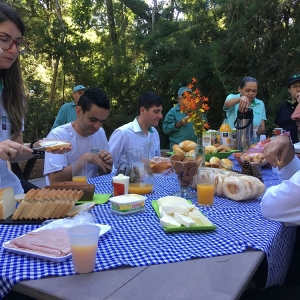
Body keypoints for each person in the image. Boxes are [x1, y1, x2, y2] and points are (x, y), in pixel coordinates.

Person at [0, 3, 71, 194]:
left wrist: (37, 147)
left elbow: (11, 155)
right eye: (4, 39)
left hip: (9, 194)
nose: (13, 50)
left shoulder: (14, 95)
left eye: (18, 43)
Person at [44, 88, 113, 184]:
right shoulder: (58, 135)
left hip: (93, 193)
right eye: (93, 119)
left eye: (102, 122)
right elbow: (54, 180)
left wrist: (107, 163)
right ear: (79, 111)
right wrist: (85, 159)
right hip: (64, 196)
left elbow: (104, 173)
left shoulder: (100, 133)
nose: (97, 126)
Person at [109, 91, 163, 169]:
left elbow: (157, 163)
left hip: (151, 180)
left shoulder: (154, 133)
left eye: (161, 112)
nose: (160, 116)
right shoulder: (123, 133)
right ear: (143, 110)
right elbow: (108, 164)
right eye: (156, 112)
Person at [162, 87, 197, 151]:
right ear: (179, 98)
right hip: (178, 149)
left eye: (190, 97)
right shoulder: (173, 112)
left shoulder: (196, 110)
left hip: (194, 149)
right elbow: (165, 129)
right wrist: (179, 124)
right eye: (185, 97)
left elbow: (205, 125)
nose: (188, 99)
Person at [274, 74, 300, 144]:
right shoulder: (284, 106)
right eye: (295, 86)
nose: (298, 89)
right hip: (284, 148)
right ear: (289, 89)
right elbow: (277, 127)